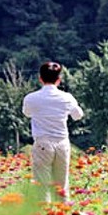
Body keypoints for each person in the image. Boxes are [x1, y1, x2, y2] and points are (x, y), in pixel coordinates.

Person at [22, 61, 84, 202]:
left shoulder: (31, 98)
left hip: (42, 143)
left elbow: (27, 113)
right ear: (59, 79)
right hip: (62, 143)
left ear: (40, 78)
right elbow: (78, 115)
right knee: (62, 184)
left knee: (42, 185)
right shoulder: (67, 97)